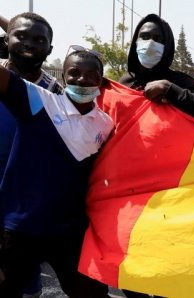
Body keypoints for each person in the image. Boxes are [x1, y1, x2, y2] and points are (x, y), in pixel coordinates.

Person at [0, 45, 114, 297]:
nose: (82, 79)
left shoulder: (106, 124)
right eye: (74, 72)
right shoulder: (39, 100)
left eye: (91, 74)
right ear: (63, 77)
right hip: (22, 229)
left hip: (69, 232)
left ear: (101, 79)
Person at [0, 12, 66, 298]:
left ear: (50, 49)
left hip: (28, 214)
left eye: (39, 40)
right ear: (6, 41)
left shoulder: (58, 95)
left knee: (25, 287)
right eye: (21, 36)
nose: (30, 45)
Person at [120, 14, 194, 126]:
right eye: (144, 37)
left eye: (157, 39)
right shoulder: (125, 82)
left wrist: (169, 90)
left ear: (167, 45)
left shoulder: (179, 81)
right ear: (135, 41)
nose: (150, 43)